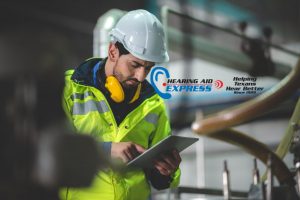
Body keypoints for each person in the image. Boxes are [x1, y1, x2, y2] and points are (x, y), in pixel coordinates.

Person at [60, 9, 181, 200]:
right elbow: (53, 153)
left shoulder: (154, 104)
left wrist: (166, 171)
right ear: (112, 51)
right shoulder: (70, 89)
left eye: (148, 68)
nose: (141, 76)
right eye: (135, 65)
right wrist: (107, 150)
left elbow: (159, 181)